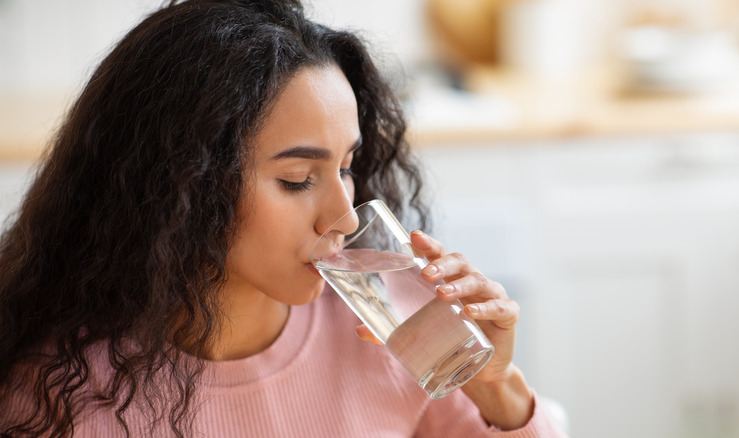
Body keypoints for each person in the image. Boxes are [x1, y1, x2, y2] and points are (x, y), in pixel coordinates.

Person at [0, 1, 568, 437]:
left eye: (347, 166)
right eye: (298, 179)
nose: (345, 218)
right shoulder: (60, 392)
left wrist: (498, 389)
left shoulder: (396, 322)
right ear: (182, 183)